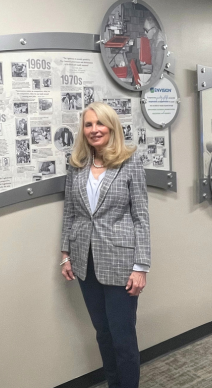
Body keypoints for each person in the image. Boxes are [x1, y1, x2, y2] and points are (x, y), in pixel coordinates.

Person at [60, 102, 150, 388]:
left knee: (123, 337)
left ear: (112, 128)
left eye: (100, 124)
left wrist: (141, 267)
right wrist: (65, 254)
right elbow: (70, 212)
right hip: (85, 261)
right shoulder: (76, 164)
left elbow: (141, 216)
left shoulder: (129, 160)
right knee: (102, 333)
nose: (94, 129)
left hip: (121, 263)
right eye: (88, 124)